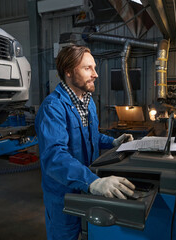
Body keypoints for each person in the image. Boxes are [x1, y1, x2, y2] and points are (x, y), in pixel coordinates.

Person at [35, 45, 135, 240]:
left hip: (86, 188)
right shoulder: (52, 108)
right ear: (69, 72)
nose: (96, 74)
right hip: (63, 195)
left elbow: (91, 137)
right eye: (87, 68)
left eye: (94, 68)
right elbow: (54, 157)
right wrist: (93, 182)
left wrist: (114, 142)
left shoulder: (87, 101)